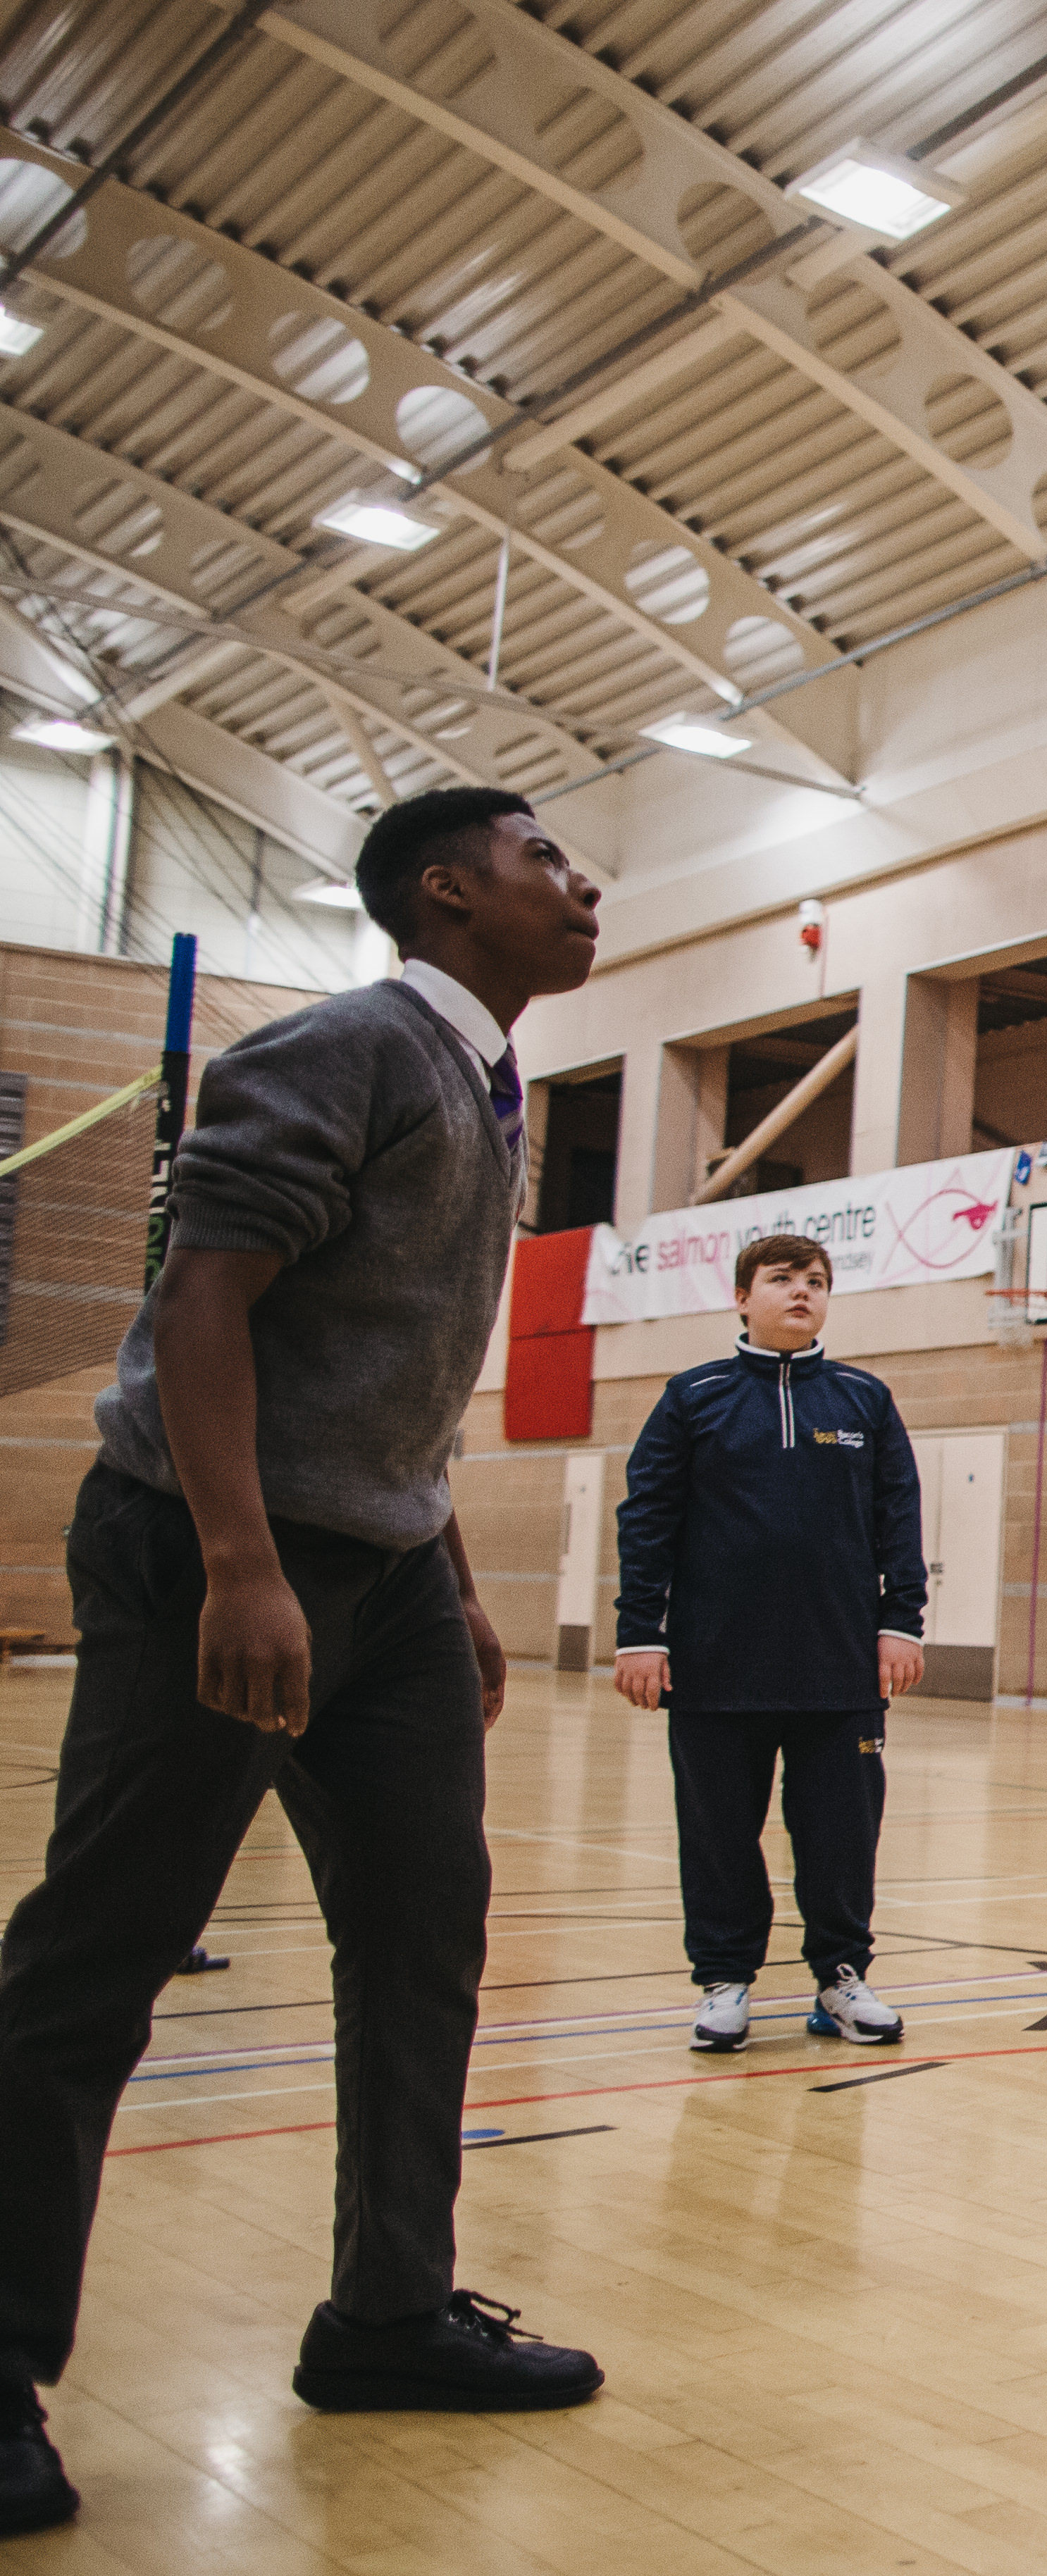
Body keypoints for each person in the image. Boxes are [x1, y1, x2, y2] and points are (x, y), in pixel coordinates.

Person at [0, 787, 608, 2533]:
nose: (583, 883)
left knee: (423, 1933)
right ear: (447, 891)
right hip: (215, 1546)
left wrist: (456, 1574)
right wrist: (240, 1559)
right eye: (544, 858)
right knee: (95, 1956)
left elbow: (392, 1374)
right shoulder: (336, 1047)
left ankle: (388, 2311)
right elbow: (205, 1300)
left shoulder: (496, 1087)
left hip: (392, 1567)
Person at [614, 1234, 928, 2056]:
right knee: (718, 1833)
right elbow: (646, 1521)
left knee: (841, 1835)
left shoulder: (865, 1400)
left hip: (840, 1669)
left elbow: (899, 1519)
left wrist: (901, 1622)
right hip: (717, 1664)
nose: (801, 1292)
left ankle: (840, 1979)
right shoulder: (694, 1397)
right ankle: (725, 1983)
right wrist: (639, 1633)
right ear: (742, 1298)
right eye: (782, 1279)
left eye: (816, 1281)